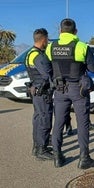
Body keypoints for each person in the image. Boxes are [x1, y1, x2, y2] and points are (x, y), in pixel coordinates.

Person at [46, 18, 94, 168]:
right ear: (75, 31)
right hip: (78, 90)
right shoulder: (81, 46)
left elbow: (48, 69)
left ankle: (57, 157)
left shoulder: (50, 47)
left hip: (59, 89)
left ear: (60, 31)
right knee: (82, 124)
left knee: (58, 123)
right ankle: (84, 159)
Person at [25, 28, 54, 160]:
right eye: (47, 40)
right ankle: (42, 149)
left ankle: (36, 147)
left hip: (35, 91)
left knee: (37, 119)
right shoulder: (39, 56)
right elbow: (47, 75)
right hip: (43, 92)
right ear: (43, 40)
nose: (47, 42)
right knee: (44, 120)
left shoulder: (30, 53)